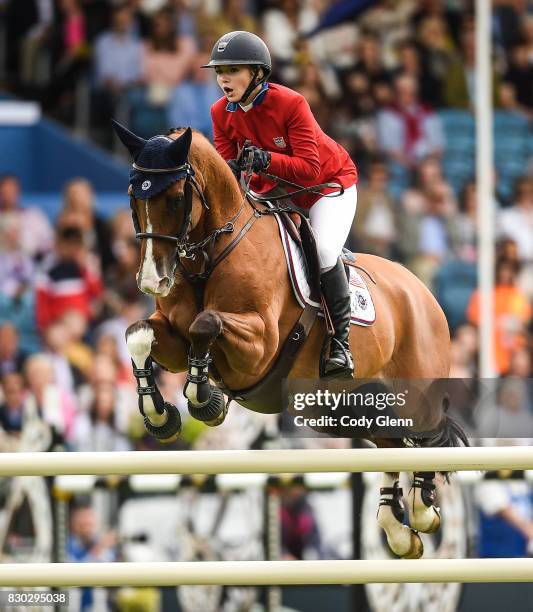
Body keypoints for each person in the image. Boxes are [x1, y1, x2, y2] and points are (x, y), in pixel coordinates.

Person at [202, 31, 358, 379]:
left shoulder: (291, 103)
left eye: (233, 70)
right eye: (219, 71)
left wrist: (266, 160)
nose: (223, 79)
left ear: (257, 73)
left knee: (325, 252)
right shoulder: (219, 113)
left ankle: (340, 344)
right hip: (275, 194)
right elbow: (230, 175)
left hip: (326, 186)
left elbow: (310, 168)